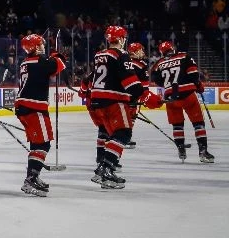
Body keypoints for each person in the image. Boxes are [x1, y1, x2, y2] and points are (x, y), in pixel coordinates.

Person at [89, 26, 154, 188]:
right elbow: (129, 81)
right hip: (113, 100)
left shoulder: (99, 54)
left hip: (97, 100)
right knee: (123, 133)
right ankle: (106, 168)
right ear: (122, 39)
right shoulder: (121, 54)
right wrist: (146, 96)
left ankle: (103, 168)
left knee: (111, 134)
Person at [14, 34, 65, 196]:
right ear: (34, 48)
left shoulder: (25, 62)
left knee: (37, 144)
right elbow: (60, 65)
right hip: (34, 106)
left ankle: (32, 176)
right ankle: (31, 179)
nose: (43, 47)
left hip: (24, 106)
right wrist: (57, 55)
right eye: (40, 45)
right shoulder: (40, 62)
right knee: (43, 144)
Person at [149, 41, 214, 163]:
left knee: (177, 125)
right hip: (188, 94)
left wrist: (167, 86)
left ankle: (181, 149)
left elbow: (156, 79)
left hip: (171, 97)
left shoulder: (158, 63)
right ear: (173, 48)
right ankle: (203, 152)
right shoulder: (184, 56)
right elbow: (194, 74)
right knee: (198, 123)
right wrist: (198, 86)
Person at [126, 42, 151, 148]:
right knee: (130, 117)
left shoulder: (123, 61)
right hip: (133, 95)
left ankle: (114, 137)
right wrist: (145, 96)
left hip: (120, 94)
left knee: (120, 116)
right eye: (140, 50)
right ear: (134, 52)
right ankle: (125, 137)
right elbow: (144, 86)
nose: (142, 52)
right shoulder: (141, 65)